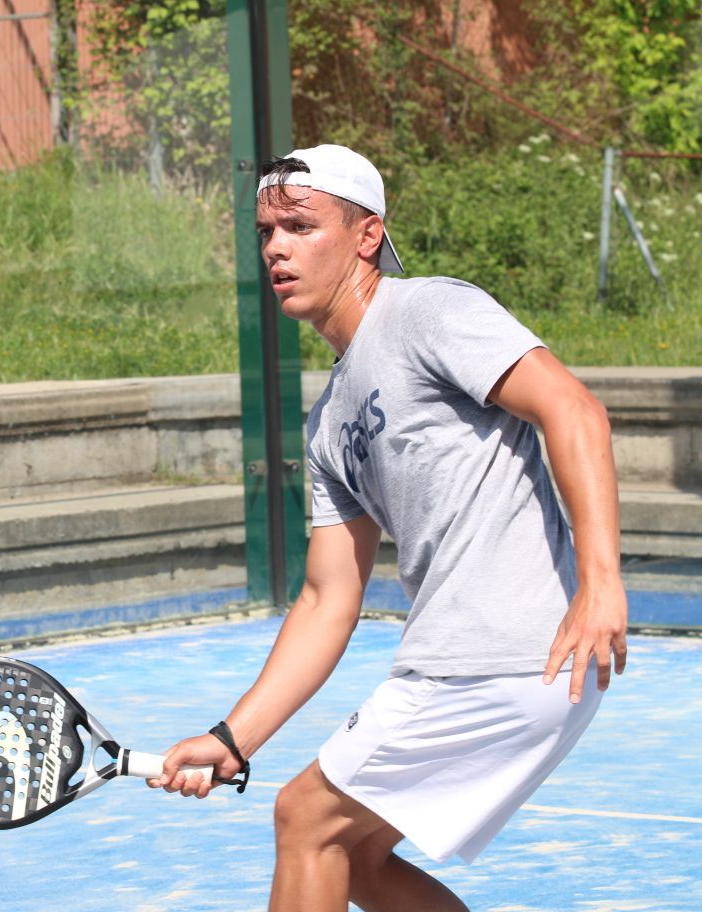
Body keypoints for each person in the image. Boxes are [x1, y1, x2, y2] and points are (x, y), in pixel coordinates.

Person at [149, 145, 628, 911]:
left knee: (305, 821)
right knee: (358, 858)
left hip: (508, 654)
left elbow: (574, 409)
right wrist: (235, 738)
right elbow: (326, 600)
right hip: (474, 662)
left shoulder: (427, 311)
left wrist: (601, 584)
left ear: (366, 235)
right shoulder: (328, 419)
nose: (276, 246)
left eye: (300, 226)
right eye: (267, 230)